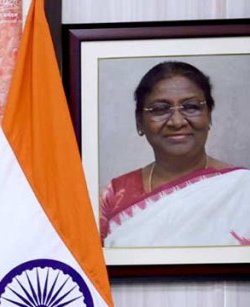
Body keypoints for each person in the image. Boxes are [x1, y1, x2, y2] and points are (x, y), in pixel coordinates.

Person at [99, 60, 250, 247]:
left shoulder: (243, 190)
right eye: (160, 109)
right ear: (139, 122)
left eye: (191, 107)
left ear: (209, 116)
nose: (177, 122)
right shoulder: (115, 196)